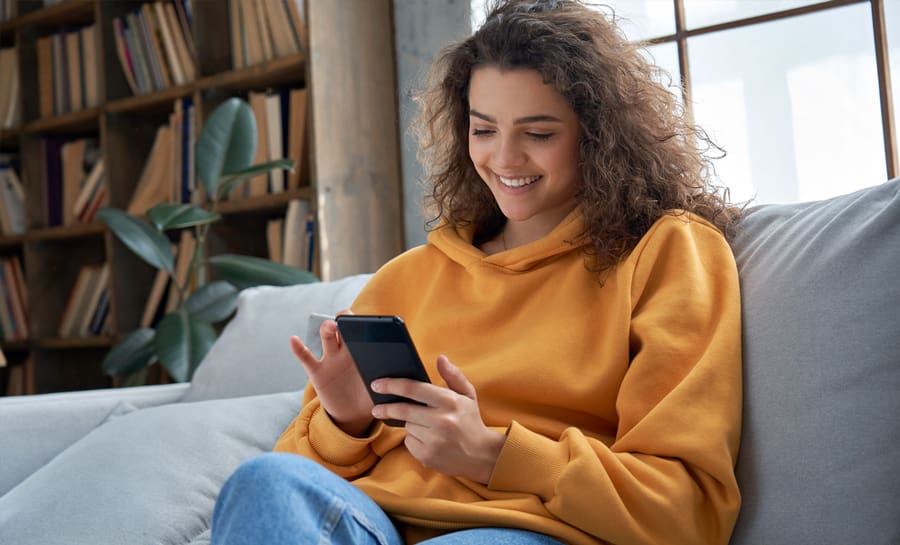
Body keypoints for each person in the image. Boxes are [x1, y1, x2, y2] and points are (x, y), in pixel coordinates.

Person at [210, 1, 743, 544]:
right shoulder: (406, 277)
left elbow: (687, 511)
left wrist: (492, 453)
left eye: (538, 134)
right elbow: (290, 501)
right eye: (484, 129)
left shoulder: (667, 252)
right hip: (374, 522)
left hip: (528, 528)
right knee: (265, 482)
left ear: (598, 135)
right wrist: (345, 421)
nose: (505, 159)